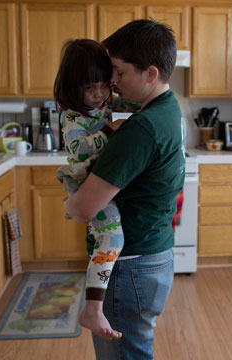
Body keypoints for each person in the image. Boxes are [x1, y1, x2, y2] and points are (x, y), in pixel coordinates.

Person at [63, 20, 184, 359]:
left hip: (129, 266)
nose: (112, 82)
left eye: (118, 72)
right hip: (154, 256)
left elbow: (85, 208)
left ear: (150, 73)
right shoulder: (167, 108)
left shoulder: (139, 130)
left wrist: (70, 205)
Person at [53, 38, 138, 340]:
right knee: (112, 239)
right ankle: (92, 308)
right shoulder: (72, 116)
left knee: (107, 236)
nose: (99, 94)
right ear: (72, 86)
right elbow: (77, 149)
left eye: (104, 86)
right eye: (90, 88)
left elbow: (135, 103)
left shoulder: (104, 102)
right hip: (87, 180)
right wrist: (109, 130)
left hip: (101, 180)